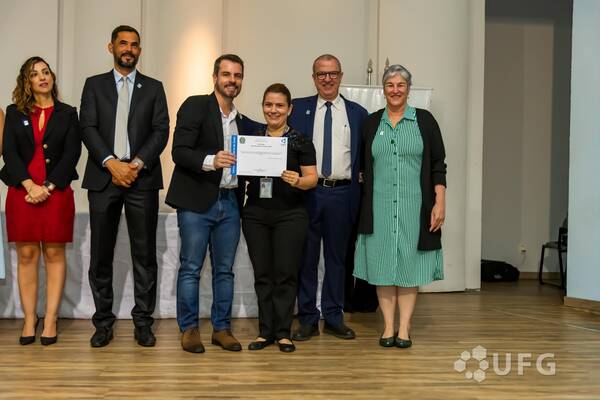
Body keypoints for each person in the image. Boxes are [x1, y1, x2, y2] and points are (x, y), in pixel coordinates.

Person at [79, 25, 169, 348]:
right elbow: (87, 127)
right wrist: (111, 162)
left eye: (134, 45)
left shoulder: (154, 87)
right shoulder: (94, 85)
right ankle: (103, 323)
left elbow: (161, 130)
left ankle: (143, 323)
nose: (128, 49)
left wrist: (136, 163)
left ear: (139, 50)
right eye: (123, 43)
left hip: (141, 178)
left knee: (144, 255)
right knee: (100, 255)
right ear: (111, 47)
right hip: (104, 177)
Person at [166, 54, 259, 354]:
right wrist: (211, 160)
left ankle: (222, 329)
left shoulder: (242, 122)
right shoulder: (196, 105)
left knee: (224, 271)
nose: (232, 80)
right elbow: (179, 151)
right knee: (191, 268)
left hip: (230, 202)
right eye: (227, 74)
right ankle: (189, 329)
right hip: (196, 202)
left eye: (238, 75)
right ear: (215, 77)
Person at [354, 64, 447, 348]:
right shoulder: (371, 123)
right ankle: (387, 327)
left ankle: (404, 327)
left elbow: (438, 165)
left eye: (400, 85)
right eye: (390, 85)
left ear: (408, 89)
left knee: (408, 266)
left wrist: (439, 201)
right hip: (379, 208)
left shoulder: (424, 121)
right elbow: (362, 166)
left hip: (415, 207)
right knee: (383, 266)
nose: (395, 90)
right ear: (383, 89)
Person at [0, 56, 81, 345]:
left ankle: (50, 319)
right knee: (26, 255)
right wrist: (29, 185)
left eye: (46, 72)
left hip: (55, 193)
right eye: (35, 74)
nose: (42, 77)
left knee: (55, 254)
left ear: (52, 77)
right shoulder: (14, 112)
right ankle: (29, 319)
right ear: (27, 82)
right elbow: (9, 153)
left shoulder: (68, 113)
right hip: (22, 192)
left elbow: (72, 153)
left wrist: (46, 187)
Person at [289, 54, 367, 341]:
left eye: (332, 73)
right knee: (306, 258)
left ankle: (334, 316)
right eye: (321, 74)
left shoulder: (358, 113)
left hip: (343, 194)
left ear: (341, 76)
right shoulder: (297, 109)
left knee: (337, 259)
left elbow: (364, 155)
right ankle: (308, 318)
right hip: (307, 192)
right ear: (313, 78)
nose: (327, 79)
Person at [241, 83, 317, 353]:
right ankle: (265, 332)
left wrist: (298, 180)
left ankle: (283, 333)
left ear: (289, 109)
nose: (273, 110)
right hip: (255, 215)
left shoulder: (300, 140)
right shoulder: (251, 138)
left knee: (285, 274)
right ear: (263, 107)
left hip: (290, 215)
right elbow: (241, 173)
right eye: (269, 105)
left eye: (279, 105)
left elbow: (312, 178)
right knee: (262, 275)